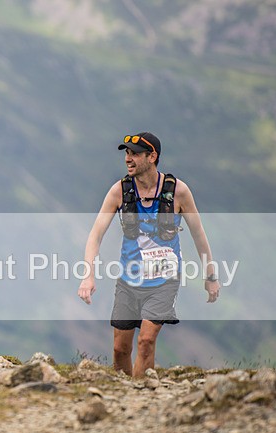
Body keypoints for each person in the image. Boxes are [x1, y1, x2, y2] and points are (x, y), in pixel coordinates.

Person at [77, 132, 220, 378]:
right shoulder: (119, 191)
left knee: (145, 341)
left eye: (135, 154)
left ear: (152, 156)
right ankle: (124, 396)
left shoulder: (178, 191)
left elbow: (198, 234)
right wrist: (88, 276)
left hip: (164, 281)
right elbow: (95, 235)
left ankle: (140, 394)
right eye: (127, 153)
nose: (128, 159)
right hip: (128, 280)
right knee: (120, 349)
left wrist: (211, 276)